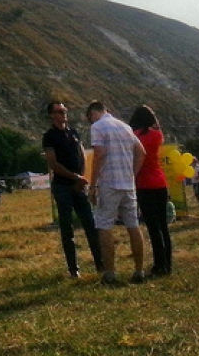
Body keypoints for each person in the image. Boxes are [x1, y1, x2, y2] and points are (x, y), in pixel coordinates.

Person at [42, 101, 104, 279]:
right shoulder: (49, 137)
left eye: (64, 110)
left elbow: (82, 155)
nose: (63, 114)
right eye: (59, 111)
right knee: (67, 227)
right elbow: (53, 163)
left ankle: (100, 264)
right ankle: (73, 269)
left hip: (78, 186)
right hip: (62, 186)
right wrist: (74, 177)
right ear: (52, 115)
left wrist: (81, 177)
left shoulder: (74, 133)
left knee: (90, 224)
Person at [87, 101, 146, 285]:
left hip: (109, 183)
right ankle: (139, 270)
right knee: (133, 226)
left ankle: (110, 273)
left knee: (104, 226)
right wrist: (132, 173)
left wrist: (93, 184)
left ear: (92, 114)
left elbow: (99, 154)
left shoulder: (98, 127)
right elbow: (141, 152)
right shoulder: (126, 127)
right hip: (127, 184)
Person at [128, 105, 172, 277]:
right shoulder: (157, 135)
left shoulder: (134, 137)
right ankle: (167, 264)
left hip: (144, 183)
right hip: (160, 181)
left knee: (153, 228)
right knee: (163, 227)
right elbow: (158, 128)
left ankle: (158, 265)